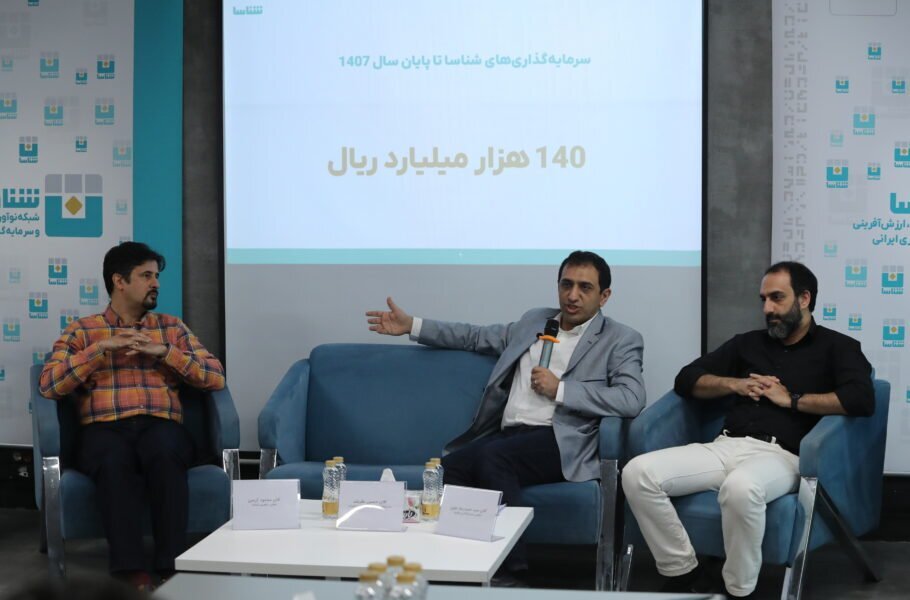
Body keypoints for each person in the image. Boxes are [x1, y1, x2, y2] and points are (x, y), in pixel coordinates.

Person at [366, 250, 646, 582]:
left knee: (494, 459)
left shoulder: (620, 339)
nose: (573, 295)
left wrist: (560, 389)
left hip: (560, 440)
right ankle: (466, 564)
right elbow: (474, 336)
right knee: (450, 468)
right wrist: (412, 325)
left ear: (604, 296)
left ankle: (512, 571)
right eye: (566, 284)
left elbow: (631, 399)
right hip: (509, 435)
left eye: (585, 288)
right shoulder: (534, 321)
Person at [622, 261, 874, 599]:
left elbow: (861, 399)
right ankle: (683, 569)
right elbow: (686, 379)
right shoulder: (747, 344)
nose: (767, 308)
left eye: (777, 298)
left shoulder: (839, 347)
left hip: (783, 455)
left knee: (741, 488)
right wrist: (735, 384)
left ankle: (738, 590)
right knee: (637, 473)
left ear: (804, 299)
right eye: (763, 299)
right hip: (725, 445)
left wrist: (791, 400)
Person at [39, 242, 225, 590]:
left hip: (161, 425)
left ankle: (170, 566)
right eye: (146, 276)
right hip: (104, 429)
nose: (156, 284)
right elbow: (50, 385)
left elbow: (215, 377)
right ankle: (130, 571)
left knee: (164, 450)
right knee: (112, 458)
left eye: (156, 277)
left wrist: (165, 352)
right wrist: (99, 350)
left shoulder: (171, 328)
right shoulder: (83, 331)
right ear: (119, 281)